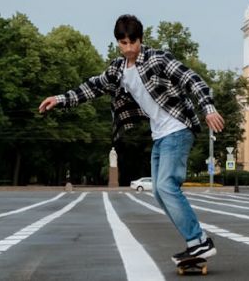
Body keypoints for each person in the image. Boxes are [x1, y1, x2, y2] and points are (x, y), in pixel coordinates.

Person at [39, 14, 225, 264]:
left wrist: (208, 108)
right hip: (160, 134)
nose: (128, 49)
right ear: (118, 42)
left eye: (132, 43)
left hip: (178, 128)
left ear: (141, 39)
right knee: (159, 192)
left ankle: (200, 241)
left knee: (167, 187)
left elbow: (191, 79)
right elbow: (92, 87)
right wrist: (61, 99)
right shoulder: (118, 69)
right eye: (123, 43)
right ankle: (195, 243)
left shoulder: (157, 58)